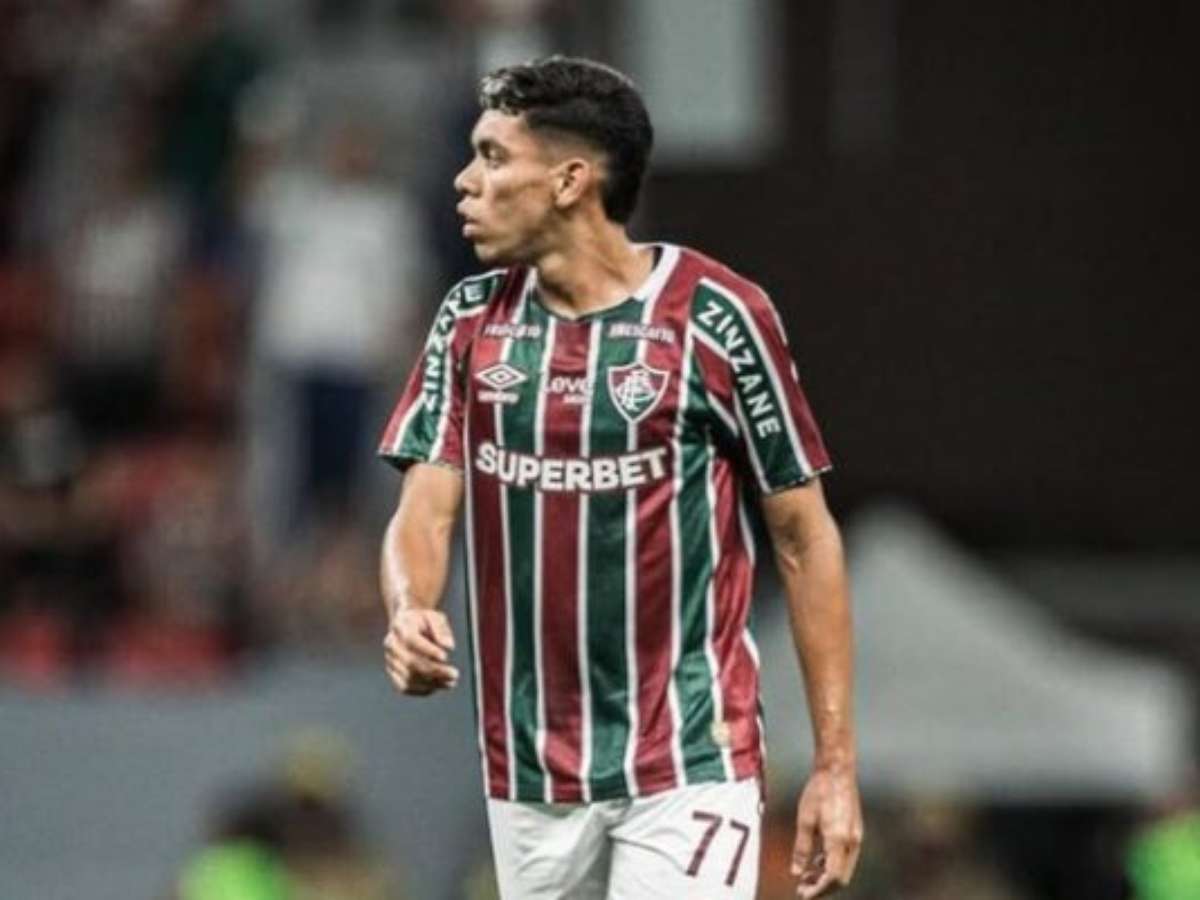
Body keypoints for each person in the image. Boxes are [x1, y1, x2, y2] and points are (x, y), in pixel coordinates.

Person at [377, 56, 862, 899]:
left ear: (570, 180)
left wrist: (834, 764)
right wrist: (409, 607)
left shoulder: (716, 317)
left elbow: (803, 535)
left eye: (493, 157)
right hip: (529, 765)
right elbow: (427, 503)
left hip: (691, 754)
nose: (465, 181)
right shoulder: (469, 321)